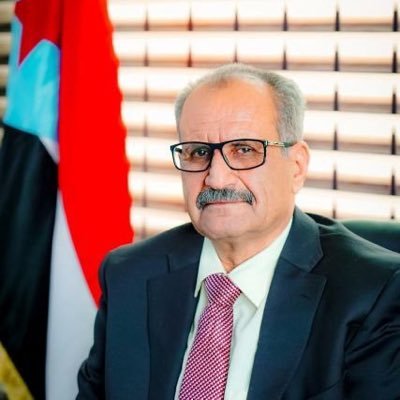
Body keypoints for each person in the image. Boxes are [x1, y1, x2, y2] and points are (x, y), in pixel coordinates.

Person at [76, 63, 400, 399]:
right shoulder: (128, 274)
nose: (216, 178)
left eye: (244, 150)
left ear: (296, 166)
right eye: (198, 152)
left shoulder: (375, 293)